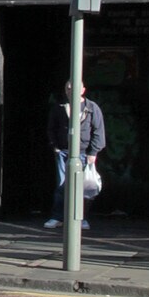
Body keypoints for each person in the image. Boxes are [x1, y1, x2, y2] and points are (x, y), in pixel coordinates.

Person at [44, 79, 106, 231]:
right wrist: (55, 147)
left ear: (83, 89)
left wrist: (93, 152)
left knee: (83, 188)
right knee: (62, 185)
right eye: (68, 88)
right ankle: (58, 217)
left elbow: (98, 131)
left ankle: (81, 218)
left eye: (74, 88)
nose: (70, 91)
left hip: (84, 153)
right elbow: (51, 128)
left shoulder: (91, 108)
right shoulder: (60, 107)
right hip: (63, 152)